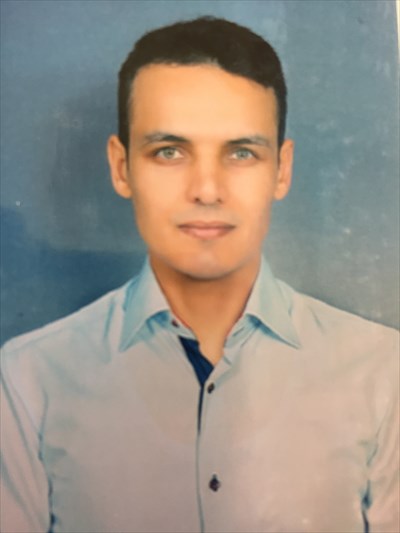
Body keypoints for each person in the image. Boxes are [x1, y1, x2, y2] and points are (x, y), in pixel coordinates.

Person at [1, 16, 398, 533]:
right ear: (121, 167)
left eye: (241, 152)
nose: (207, 190)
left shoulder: (384, 373)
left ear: (282, 170)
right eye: (169, 152)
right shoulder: (27, 380)